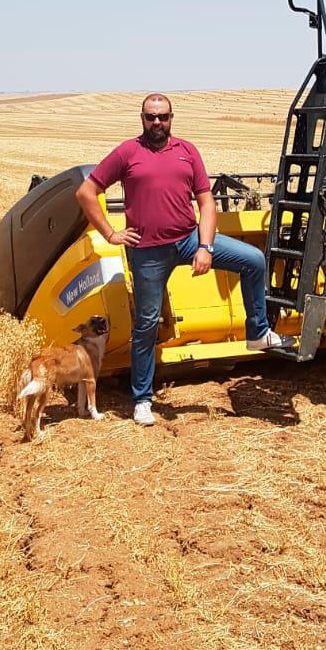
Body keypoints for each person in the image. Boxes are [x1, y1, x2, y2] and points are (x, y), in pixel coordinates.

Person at [76, 93, 295, 426]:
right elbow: (86, 192)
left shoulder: (187, 151)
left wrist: (205, 246)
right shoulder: (127, 152)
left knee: (253, 260)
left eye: (162, 117)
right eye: (151, 117)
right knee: (147, 324)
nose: (157, 123)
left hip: (189, 239)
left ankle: (258, 332)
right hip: (147, 251)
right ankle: (142, 400)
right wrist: (110, 233)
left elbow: (207, 204)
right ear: (142, 119)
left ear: (171, 118)